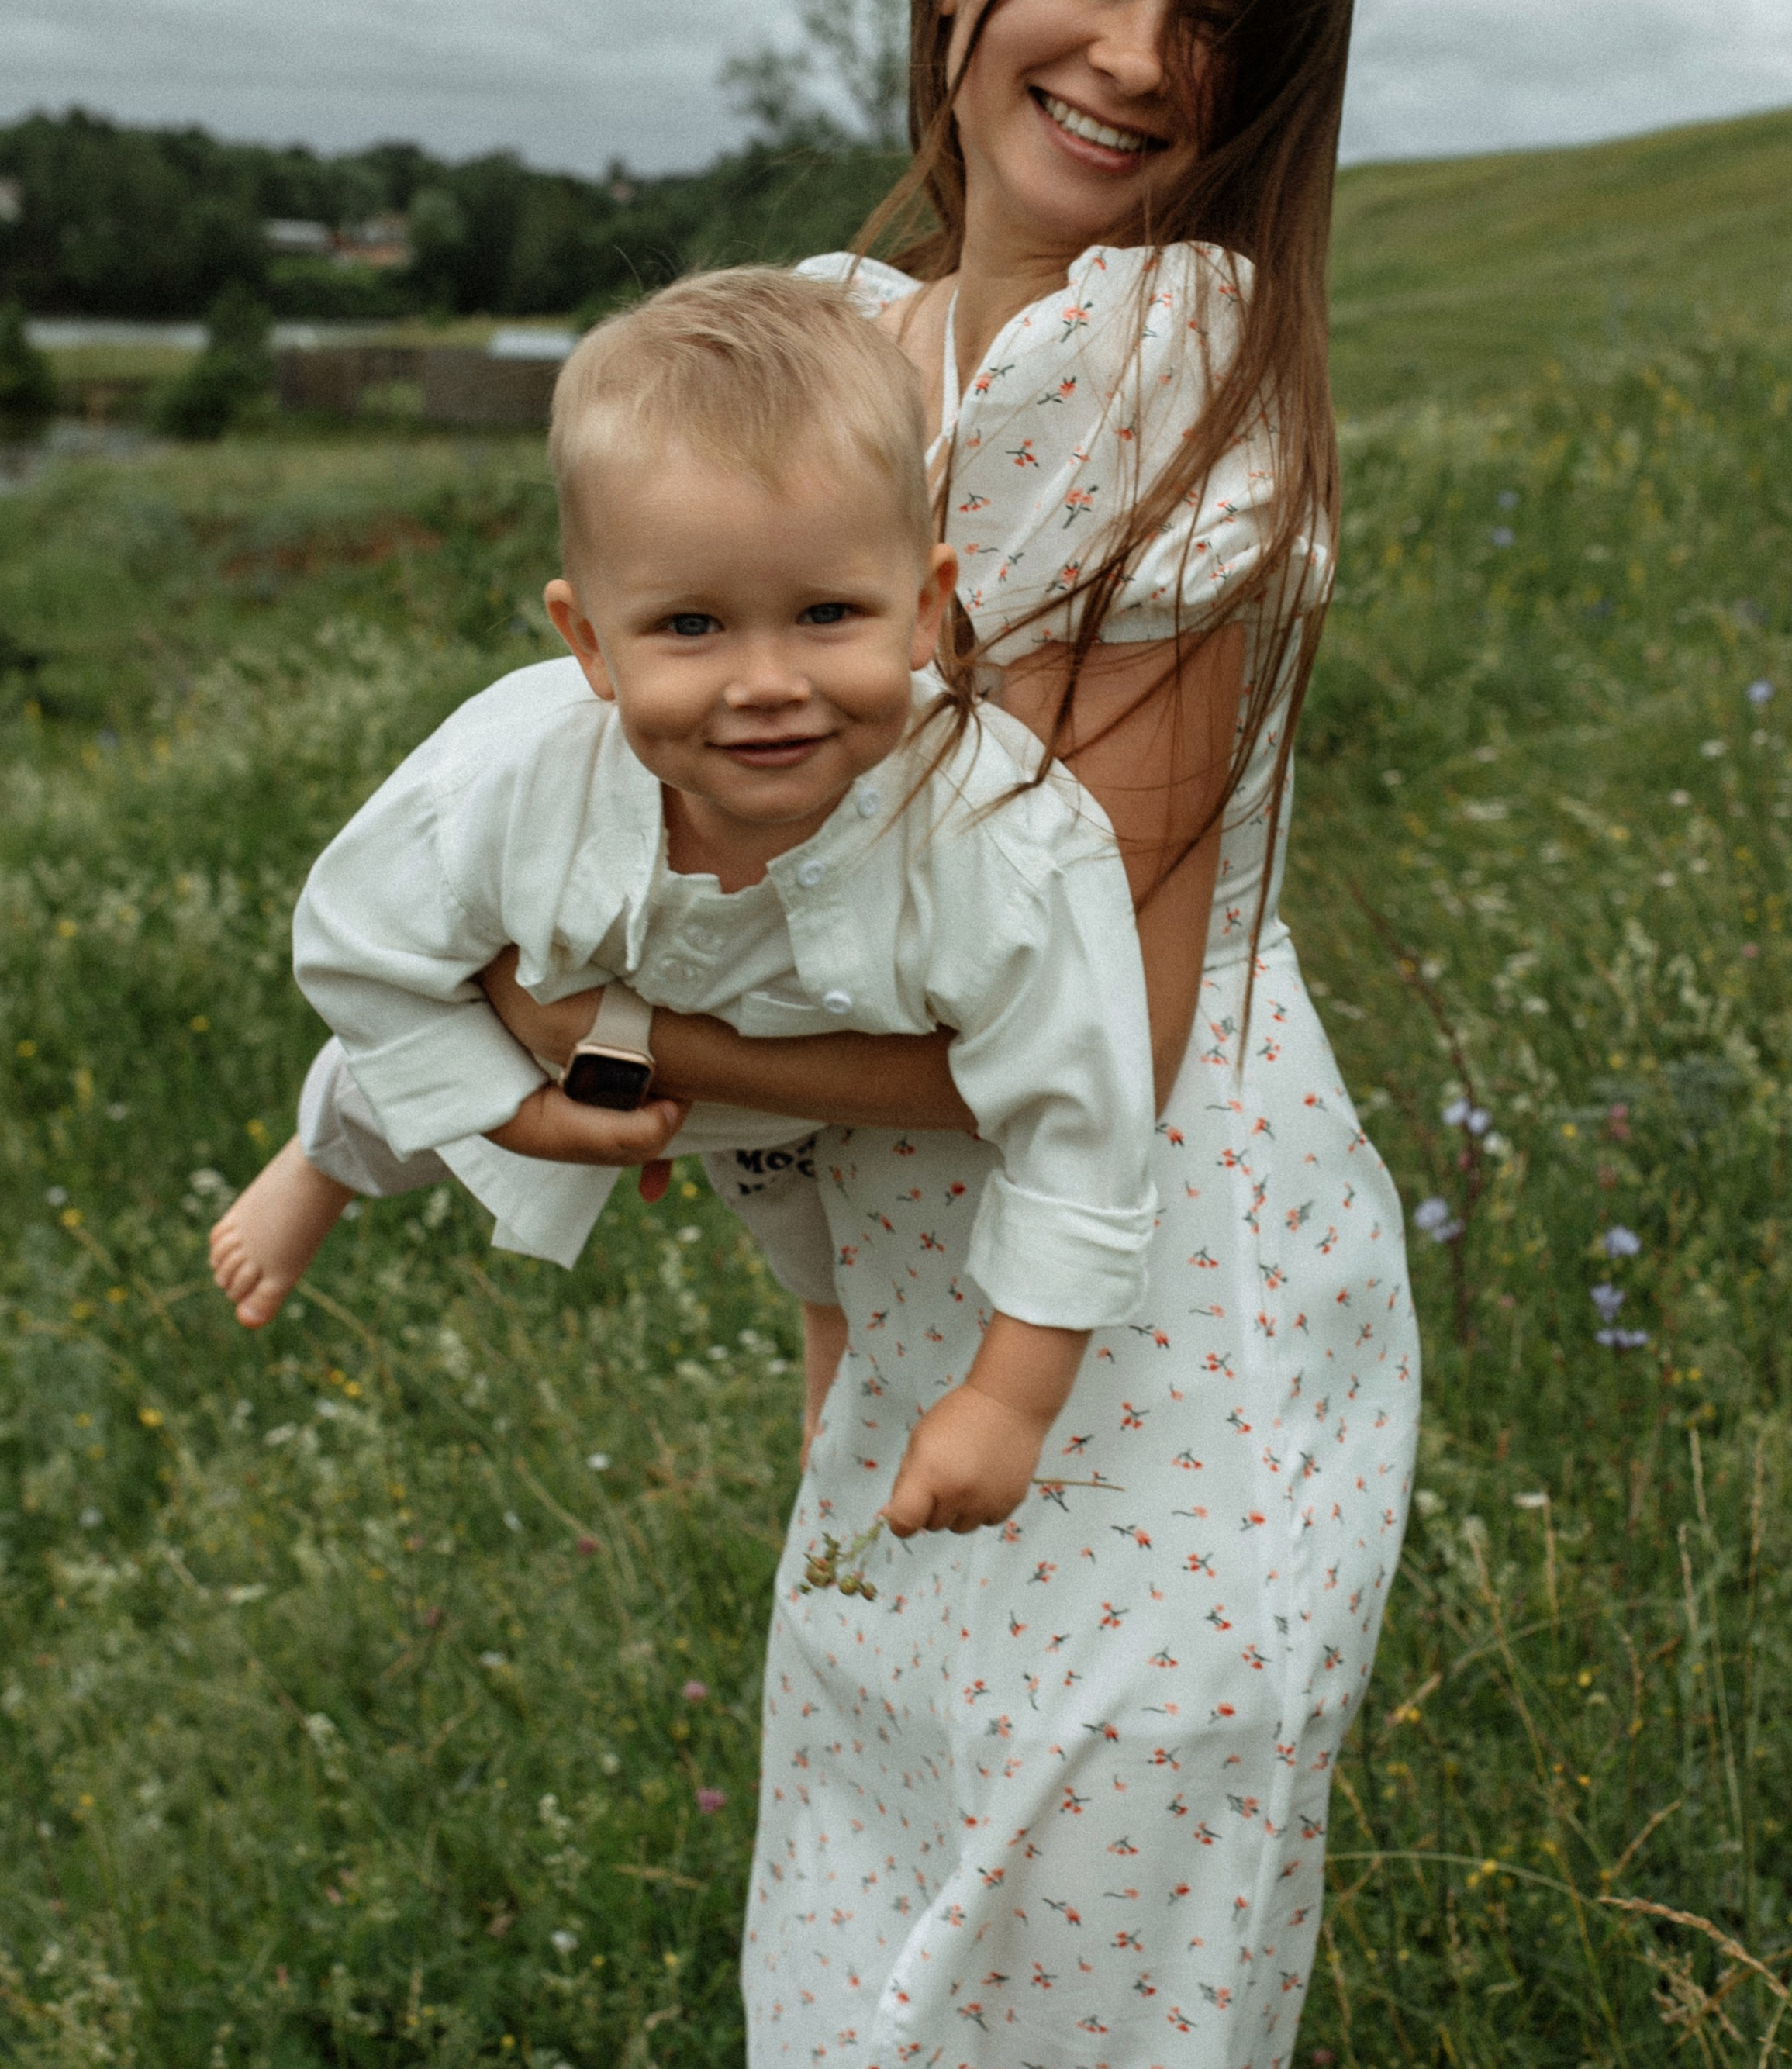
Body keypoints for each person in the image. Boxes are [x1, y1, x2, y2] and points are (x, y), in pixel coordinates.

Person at [478, 0, 1421, 2069]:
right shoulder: (840, 350)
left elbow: (1082, 1034)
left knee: (1068, 2023)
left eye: (1214, 17)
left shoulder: (1175, 367)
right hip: (913, 1329)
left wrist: (642, 1051)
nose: (1133, 56)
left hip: (1157, 1349)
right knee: (862, 2003)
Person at [209, 268, 1164, 1535]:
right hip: (576, 992)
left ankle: (832, 1333)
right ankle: (318, 1164)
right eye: (692, 626)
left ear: (925, 610)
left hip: (809, 1066)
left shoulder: (1008, 841)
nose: (766, 682)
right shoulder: (513, 779)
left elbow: (1084, 1122)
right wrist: (520, 1119)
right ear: (590, 645)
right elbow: (360, 945)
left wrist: (1008, 1400)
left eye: (827, 613)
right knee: (413, 1062)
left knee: (809, 1197)